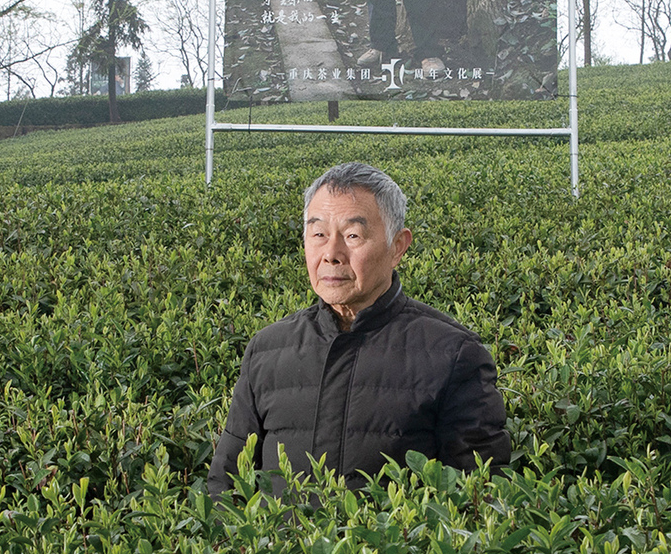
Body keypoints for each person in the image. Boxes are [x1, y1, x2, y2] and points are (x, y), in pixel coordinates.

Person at [208, 162, 510, 496]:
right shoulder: (268, 349)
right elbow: (226, 486)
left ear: (397, 247)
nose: (332, 255)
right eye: (319, 234)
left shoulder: (453, 354)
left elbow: (477, 498)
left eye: (353, 236)